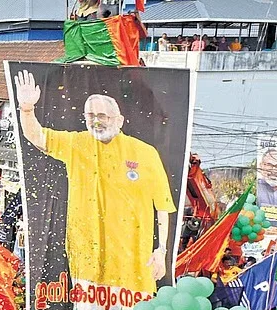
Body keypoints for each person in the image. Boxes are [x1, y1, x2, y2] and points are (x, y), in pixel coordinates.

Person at [14, 69, 175, 294]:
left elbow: (163, 206)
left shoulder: (145, 153)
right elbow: (37, 137)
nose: (96, 122)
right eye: (90, 116)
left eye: (102, 116)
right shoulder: (77, 144)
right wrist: (27, 108)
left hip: (133, 266)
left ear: (119, 121)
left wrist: (161, 251)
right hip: (87, 262)